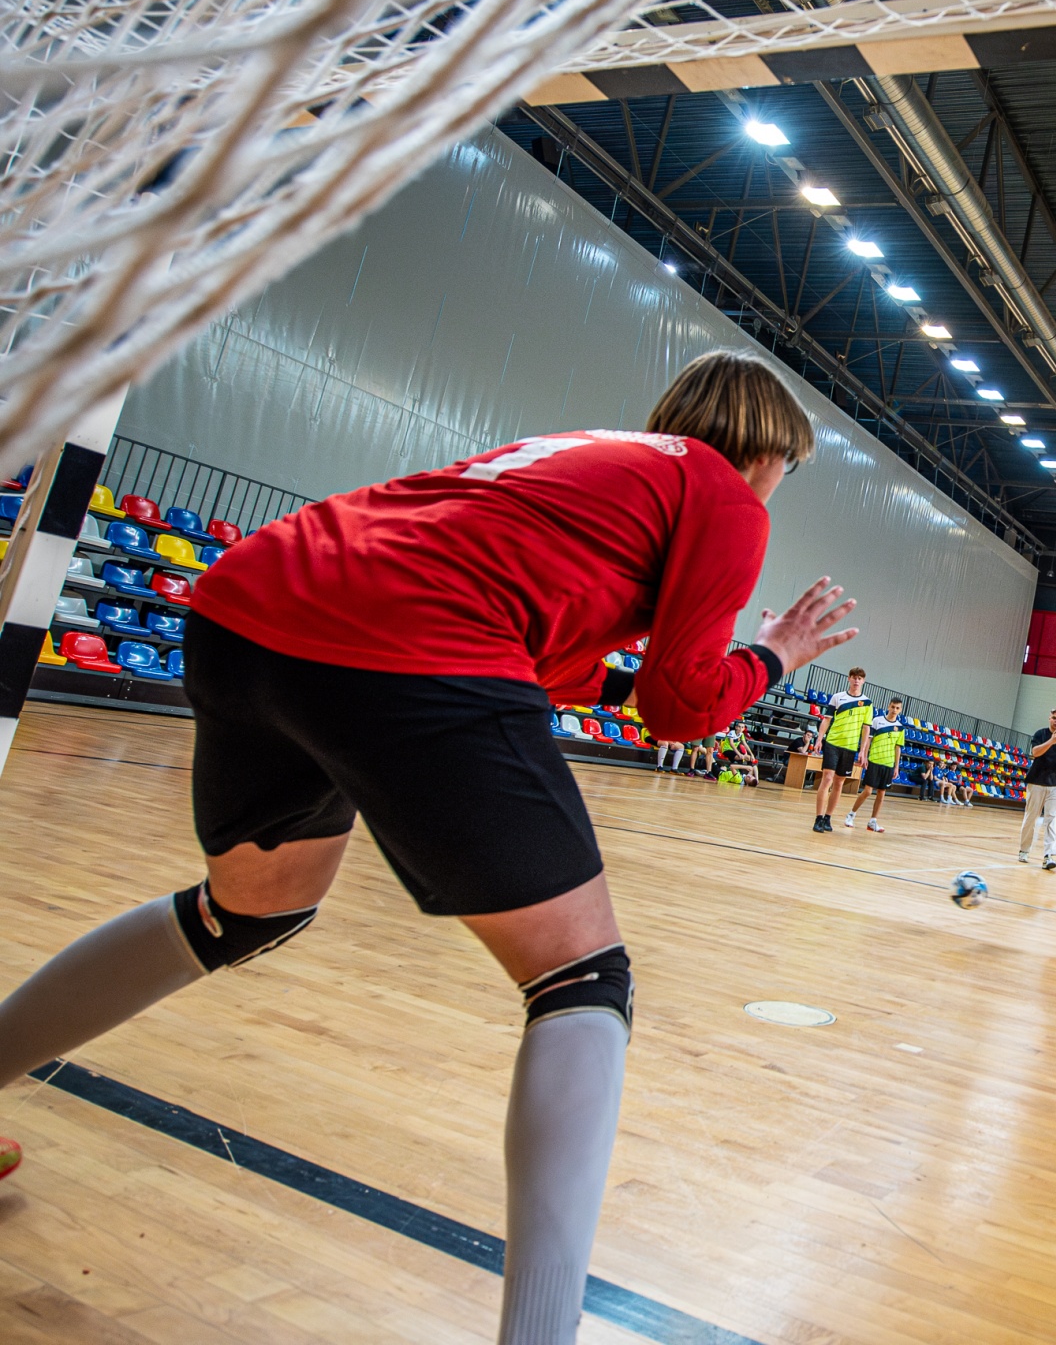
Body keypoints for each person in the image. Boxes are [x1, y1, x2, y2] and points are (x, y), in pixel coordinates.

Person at [0, 349, 857, 1341]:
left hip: (250, 606)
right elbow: (682, 708)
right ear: (769, 454)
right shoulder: (723, 492)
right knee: (582, 978)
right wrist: (773, 655)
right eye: (789, 470)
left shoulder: (591, 455)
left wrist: (658, 677)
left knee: (243, 913)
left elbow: (551, 658)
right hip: (404, 643)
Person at [811, 667, 873, 833]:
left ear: (863, 681)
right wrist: (819, 739)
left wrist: (863, 751)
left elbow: (866, 729)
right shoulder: (837, 697)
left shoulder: (867, 703)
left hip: (850, 747)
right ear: (849, 679)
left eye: (859, 678)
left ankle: (827, 818)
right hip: (833, 743)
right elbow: (826, 720)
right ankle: (818, 818)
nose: (856, 680)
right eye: (854, 677)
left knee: (839, 782)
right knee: (827, 778)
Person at [1018, 708, 1056, 870]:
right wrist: (1051, 741)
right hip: (1036, 782)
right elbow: (1035, 752)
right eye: (1054, 717)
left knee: (1052, 820)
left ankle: (1048, 856)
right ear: (1049, 719)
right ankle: (1024, 850)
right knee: (1031, 818)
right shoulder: (1040, 734)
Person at [848, 698, 905, 832]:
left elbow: (898, 748)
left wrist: (896, 766)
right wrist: (865, 756)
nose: (894, 710)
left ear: (900, 710)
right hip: (874, 761)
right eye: (893, 707)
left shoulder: (900, 728)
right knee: (868, 791)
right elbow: (868, 740)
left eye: (897, 708)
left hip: (888, 764)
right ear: (888, 706)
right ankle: (851, 815)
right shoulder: (877, 721)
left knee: (881, 793)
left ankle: (872, 822)